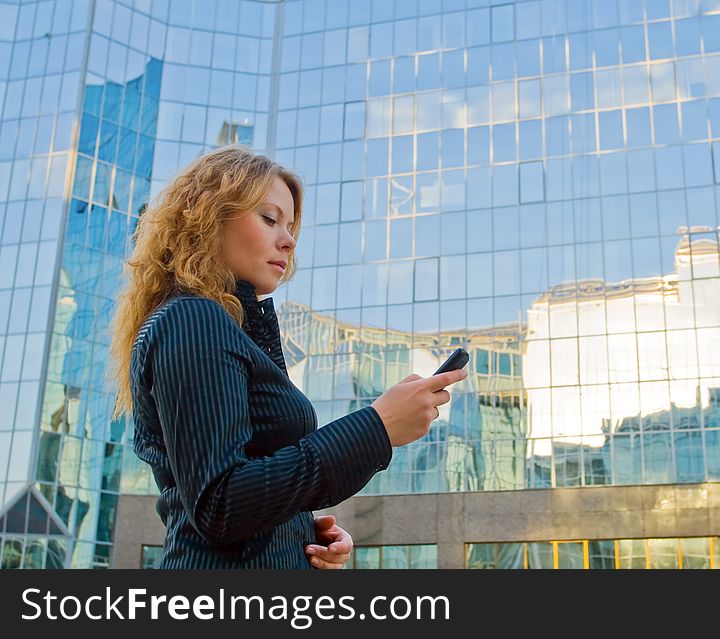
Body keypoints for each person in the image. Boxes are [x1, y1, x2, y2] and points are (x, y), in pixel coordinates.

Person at [109, 145, 467, 568]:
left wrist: (296, 533)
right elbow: (219, 506)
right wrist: (378, 426)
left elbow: (237, 494)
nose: (289, 239)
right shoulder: (192, 318)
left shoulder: (226, 328)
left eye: (292, 225)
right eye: (269, 218)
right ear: (208, 218)